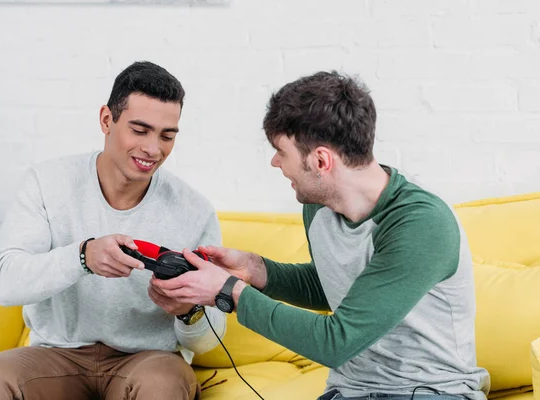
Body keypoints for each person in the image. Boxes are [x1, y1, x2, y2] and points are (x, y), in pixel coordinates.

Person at [153, 71, 491, 400]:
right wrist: (257, 270)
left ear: (320, 161)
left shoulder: (420, 224)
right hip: (350, 391)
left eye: (281, 151)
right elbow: (339, 287)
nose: (274, 162)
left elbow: (337, 341)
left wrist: (229, 292)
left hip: (431, 392)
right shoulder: (319, 205)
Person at [0, 61, 226, 400]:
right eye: (140, 130)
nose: (153, 149)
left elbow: (210, 343)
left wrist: (188, 313)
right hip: (56, 355)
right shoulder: (47, 183)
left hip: (147, 361)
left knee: (162, 384)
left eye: (167, 136)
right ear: (106, 120)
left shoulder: (195, 211)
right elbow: (6, 285)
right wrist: (82, 257)